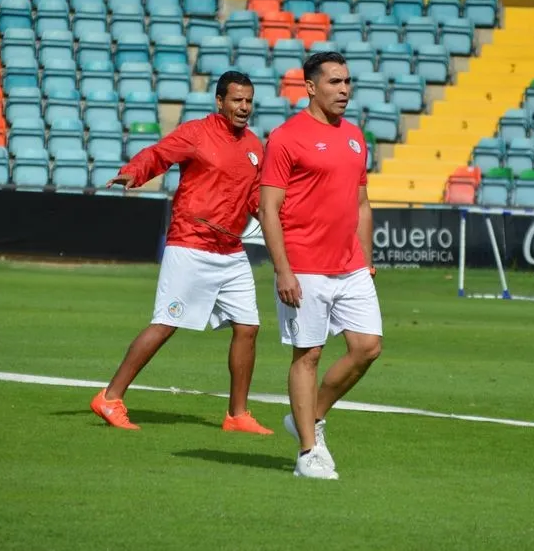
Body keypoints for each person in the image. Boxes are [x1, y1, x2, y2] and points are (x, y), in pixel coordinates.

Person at [90, 71, 273, 436]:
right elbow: (159, 154)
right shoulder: (196, 133)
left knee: (249, 327)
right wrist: (133, 173)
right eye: (237, 100)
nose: (244, 107)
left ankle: (237, 415)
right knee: (165, 324)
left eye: (249, 101)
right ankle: (110, 397)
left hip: (231, 251)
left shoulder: (255, 144)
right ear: (219, 101)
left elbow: (255, 199)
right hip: (190, 245)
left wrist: (282, 218)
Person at [258, 52, 383, 480]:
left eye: (347, 82)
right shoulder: (286, 137)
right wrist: (283, 269)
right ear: (310, 87)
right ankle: (308, 452)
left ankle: (308, 415)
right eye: (334, 82)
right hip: (304, 265)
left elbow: (362, 203)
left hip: (350, 265)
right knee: (308, 354)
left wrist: (365, 260)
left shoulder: (355, 135)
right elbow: (268, 209)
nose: (344, 90)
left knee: (368, 347)